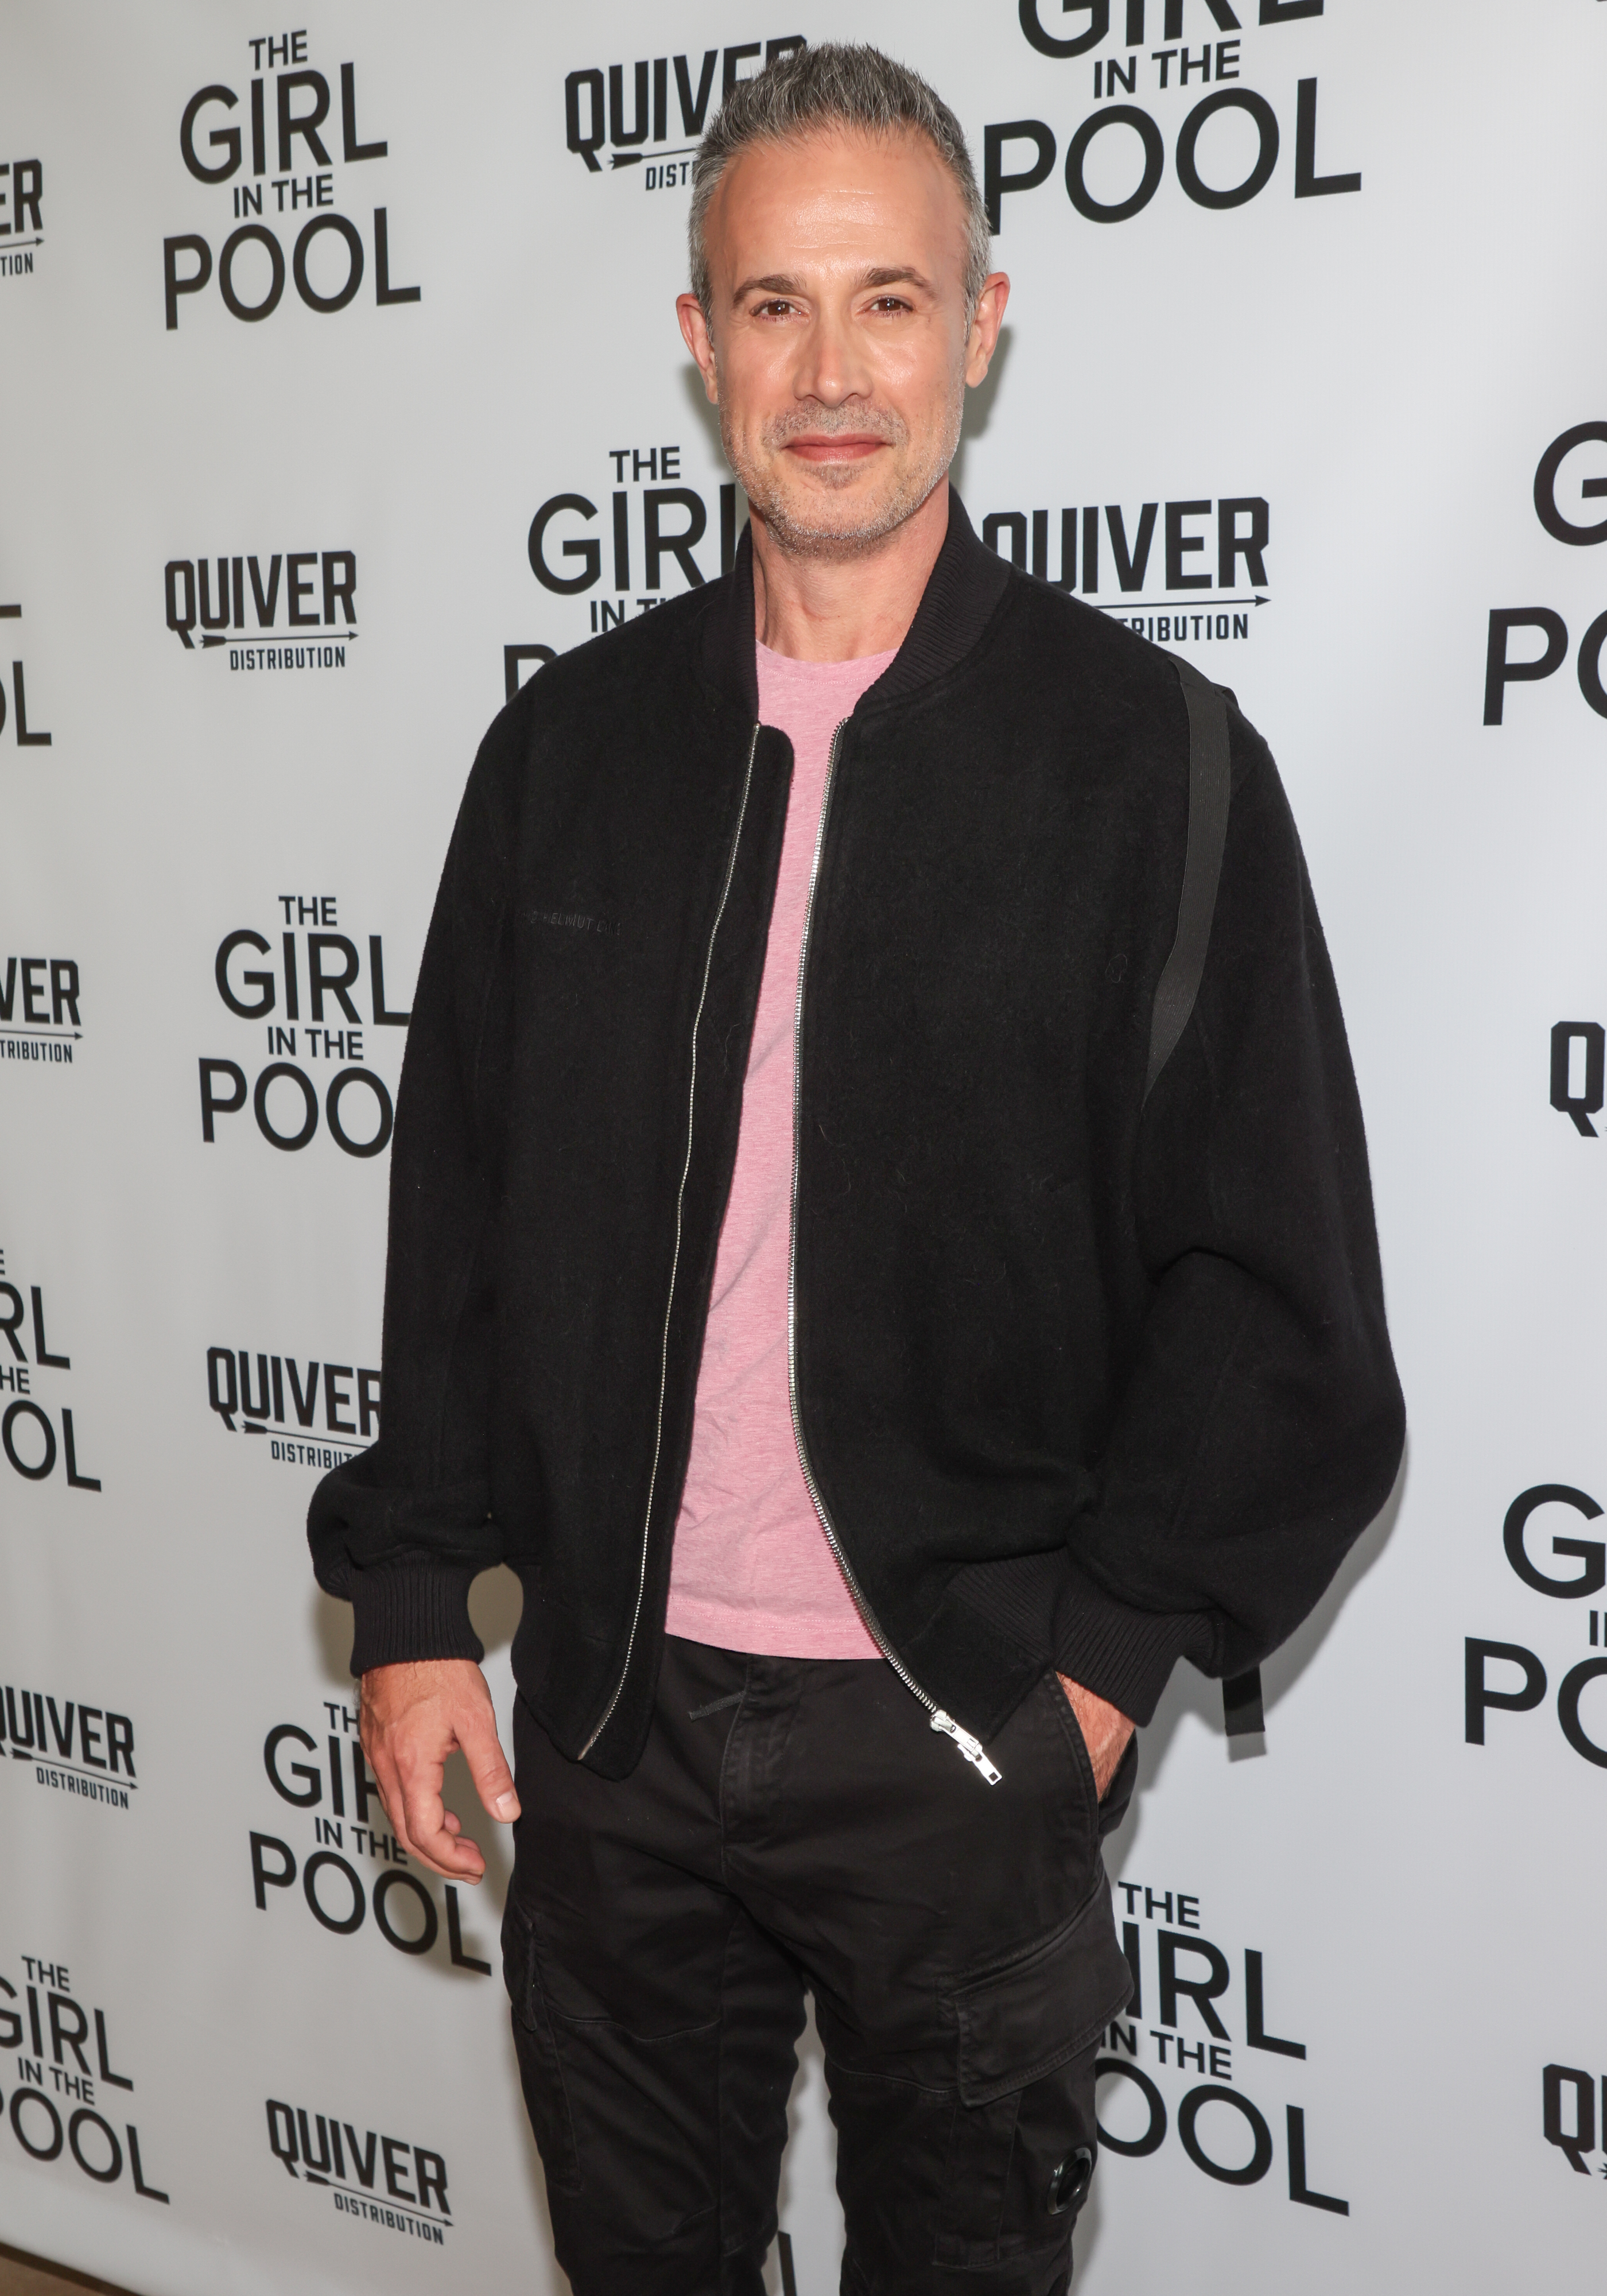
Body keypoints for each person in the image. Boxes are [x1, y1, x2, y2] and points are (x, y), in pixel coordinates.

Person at [309, 41, 1404, 2296]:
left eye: (888, 301)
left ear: (980, 324)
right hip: (608, 1731)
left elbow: (1271, 1280)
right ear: (697, 341)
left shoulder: (1155, 768)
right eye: (776, 307)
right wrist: (417, 1604)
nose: (831, 370)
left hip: (957, 1737)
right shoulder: (566, 756)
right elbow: (460, 1215)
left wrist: (1088, 1675)